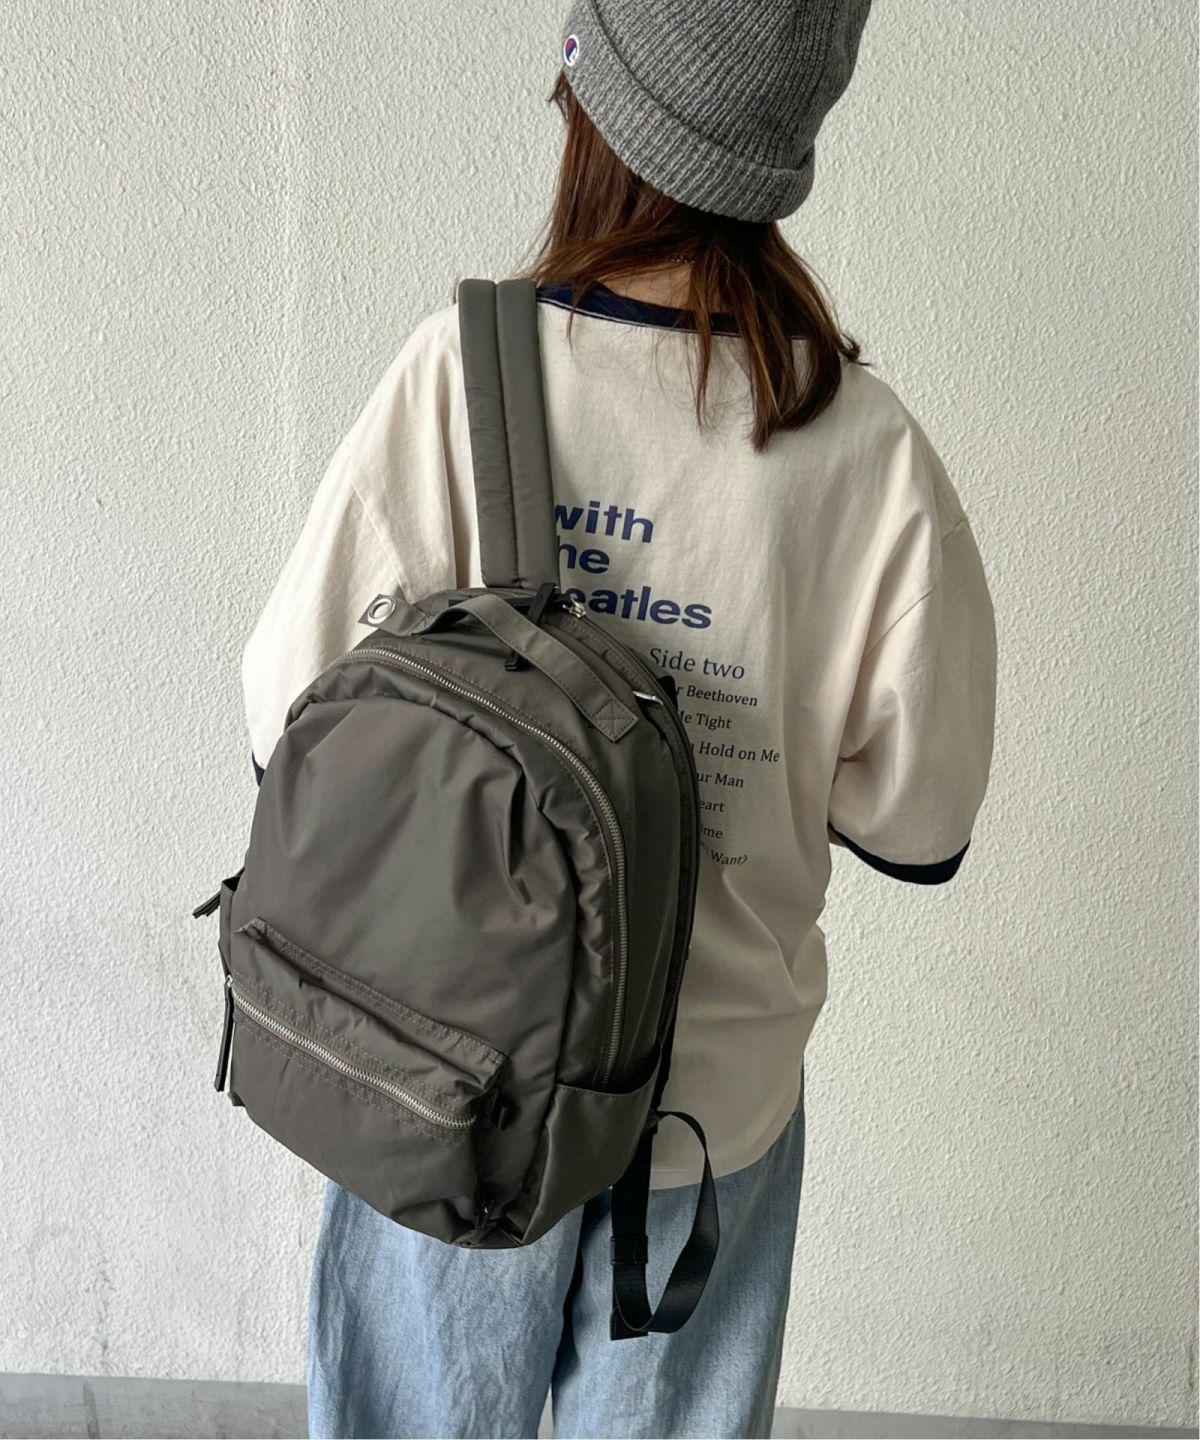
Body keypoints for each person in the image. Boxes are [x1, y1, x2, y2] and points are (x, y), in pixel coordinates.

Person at [241, 2, 997, 1435]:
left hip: (451, 1073)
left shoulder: (465, 372)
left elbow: (288, 704)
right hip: (706, 1114)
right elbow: (922, 816)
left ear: (596, 101)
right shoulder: (867, 449)